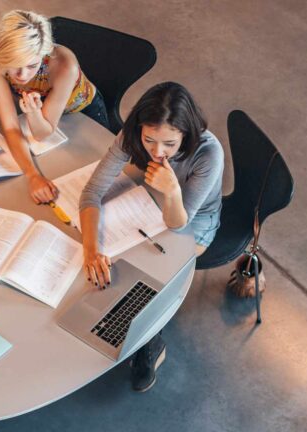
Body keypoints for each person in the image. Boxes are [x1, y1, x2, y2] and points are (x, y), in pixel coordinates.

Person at [79, 82, 224, 392]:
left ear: (186, 133)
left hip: (193, 221)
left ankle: (149, 339)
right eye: (149, 141)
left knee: (153, 271)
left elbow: (178, 223)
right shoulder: (131, 137)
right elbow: (92, 192)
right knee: (115, 259)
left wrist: (171, 190)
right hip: (147, 204)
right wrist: (91, 249)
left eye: (170, 144)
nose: (157, 152)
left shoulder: (208, 153)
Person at [0, 10, 110, 204]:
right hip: (39, 108)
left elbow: (42, 134)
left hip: (83, 111)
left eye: (32, 65)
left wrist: (33, 113)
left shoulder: (64, 65)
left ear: (44, 52)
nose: (22, 75)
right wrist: (32, 175)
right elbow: (10, 126)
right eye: (14, 65)